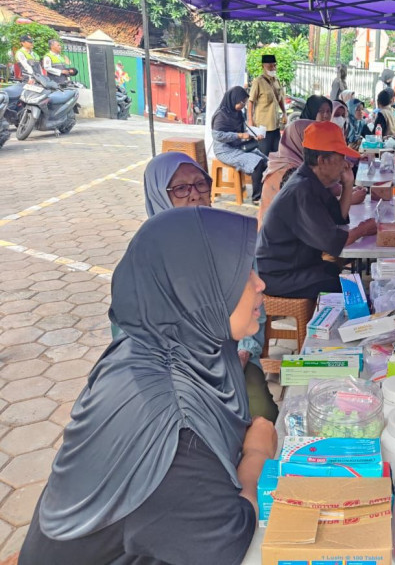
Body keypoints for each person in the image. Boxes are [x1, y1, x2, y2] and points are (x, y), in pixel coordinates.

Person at [19, 207, 278, 564]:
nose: (260, 283)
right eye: (241, 273)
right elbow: (226, 540)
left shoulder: (155, 345)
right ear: (197, 287)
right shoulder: (173, 435)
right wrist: (257, 456)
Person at [142, 152, 279, 423]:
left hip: (233, 355)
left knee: (262, 416)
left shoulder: (230, 239)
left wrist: (245, 350)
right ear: (158, 195)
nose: (195, 194)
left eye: (200, 183)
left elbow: (256, 306)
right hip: (173, 373)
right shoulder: (146, 257)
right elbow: (136, 333)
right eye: (180, 188)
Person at [257, 121, 376, 299]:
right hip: (278, 274)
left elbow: (339, 219)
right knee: (342, 287)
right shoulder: (302, 189)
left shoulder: (312, 181)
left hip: (296, 265)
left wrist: (348, 184)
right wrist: (363, 230)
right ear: (321, 161)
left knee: (335, 272)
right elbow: (335, 241)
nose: (345, 164)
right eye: (340, 158)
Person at [212, 86, 268, 204]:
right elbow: (217, 135)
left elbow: (243, 131)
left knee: (265, 160)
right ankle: (256, 198)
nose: (243, 105)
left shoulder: (238, 113)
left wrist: (254, 135)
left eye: (245, 103)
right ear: (233, 99)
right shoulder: (221, 115)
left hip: (237, 146)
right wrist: (239, 136)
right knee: (256, 163)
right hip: (225, 150)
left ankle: (265, 192)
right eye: (242, 102)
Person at [248, 54, 286, 159]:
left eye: (274, 65)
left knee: (276, 156)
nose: (273, 68)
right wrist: (250, 122)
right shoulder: (258, 82)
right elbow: (250, 102)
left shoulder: (277, 81)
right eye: (270, 66)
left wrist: (284, 113)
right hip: (262, 127)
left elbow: (280, 99)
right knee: (263, 156)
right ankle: (261, 175)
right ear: (263, 66)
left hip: (275, 125)